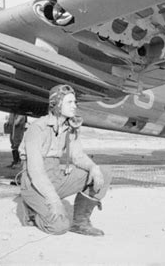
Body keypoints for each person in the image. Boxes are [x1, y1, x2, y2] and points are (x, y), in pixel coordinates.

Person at [16, 84, 112, 236]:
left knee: (103, 173)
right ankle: (32, 213)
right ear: (56, 104)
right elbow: (36, 172)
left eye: (75, 102)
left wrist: (93, 168)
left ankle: (79, 223)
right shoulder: (37, 128)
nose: (74, 106)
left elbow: (78, 156)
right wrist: (54, 201)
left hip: (56, 177)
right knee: (59, 227)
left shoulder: (70, 127)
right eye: (70, 102)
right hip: (34, 184)